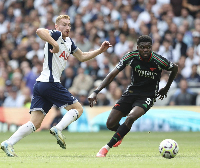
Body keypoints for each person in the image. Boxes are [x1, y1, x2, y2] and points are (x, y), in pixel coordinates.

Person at [0, 15, 111, 157]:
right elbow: (40, 31)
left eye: (69, 25)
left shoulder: (69, 42)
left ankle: (8, 143)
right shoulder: (56, 35)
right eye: (64, 24)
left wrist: (100, 51)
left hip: (41, 85)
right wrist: (55, 43)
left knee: (35, 123)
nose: (68, 27)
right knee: (78, 108)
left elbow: (82, 56)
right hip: (50, 83)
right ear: (57, 26)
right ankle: (58, 128)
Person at [88, 35, 178, 157]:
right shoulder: (131, 56)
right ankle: (119, 134)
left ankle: (105, 148)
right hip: (131, 93)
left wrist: (166, 88)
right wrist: (96, 91)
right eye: (142, 47)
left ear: (151, 48)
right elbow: (112, 74)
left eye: (148, 47)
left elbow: (175, 68)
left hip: (147, 96)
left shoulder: (158, 60)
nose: (145, 50)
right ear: (138, 48)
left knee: (130, 118)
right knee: (110, 124)